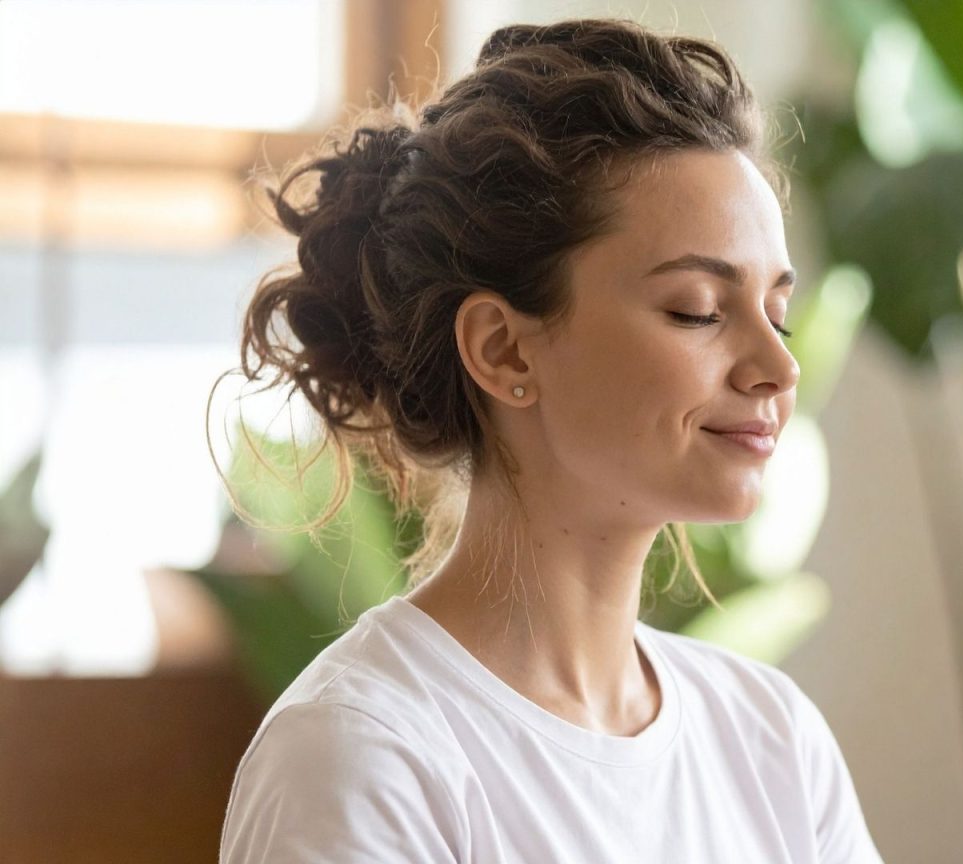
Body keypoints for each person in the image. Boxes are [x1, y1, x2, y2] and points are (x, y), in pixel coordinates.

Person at [214, 17, 883, 864]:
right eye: (698, 311)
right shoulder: (364, 756)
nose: (778, 368)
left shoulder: (773, 743)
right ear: (502, 347)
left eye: (777, 313)